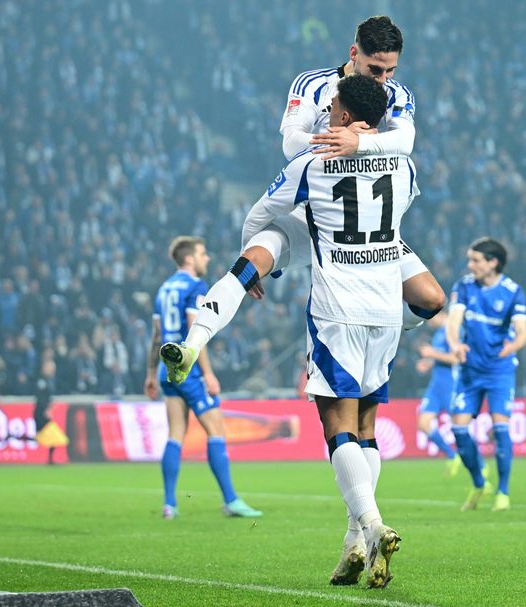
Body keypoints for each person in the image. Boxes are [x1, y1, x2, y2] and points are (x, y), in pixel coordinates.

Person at [162, 75, 408, 588]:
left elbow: (261, 213)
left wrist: (265, 264)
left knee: (336, 426)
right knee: (366, 426)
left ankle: (373, 525)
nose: (328, 106)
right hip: (387, 308)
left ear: (341, 115)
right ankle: (354, 542)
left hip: (338, 308)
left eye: (334, 105)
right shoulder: (403, 165)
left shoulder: (313, 162)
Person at [253, 15, 444, 329]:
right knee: (251, 259)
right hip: (313, 209)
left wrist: (357, 143)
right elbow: (291, 143)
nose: (383, 79)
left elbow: (405, 140)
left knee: (431, 298)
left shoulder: (397, 93)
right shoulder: (312, 84)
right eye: (376, 69)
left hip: (367, 220)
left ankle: (386, 324)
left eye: (391, 70)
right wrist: (336, 142)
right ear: (355, 54)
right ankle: (194, 339)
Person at [143, 236, 261, 520]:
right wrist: (207, 373)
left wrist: (150, 373)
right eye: (202, 253)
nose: (206, 258)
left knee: (175, 434)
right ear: (189, 259)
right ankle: (231, 500)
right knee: (216, 430)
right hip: (189, 369)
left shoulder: (164, 289)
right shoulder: (195, 286)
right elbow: (196, 329)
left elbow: (156, 336)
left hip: (164, 367)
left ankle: (170, 504)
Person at [446, 237, 526, 512]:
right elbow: (453, 322)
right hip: (470, 369)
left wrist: (513, 346)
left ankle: (503, 492)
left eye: (476, 260)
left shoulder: (513, 291)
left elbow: (522, 332)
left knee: (500, 427)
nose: (470, 265)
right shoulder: (464, 286)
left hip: (499, 370)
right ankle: (479, 481)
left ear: (493, 263)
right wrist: (456, 345)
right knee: (458, 428)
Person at [415, 309, 462, 476]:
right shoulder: (437, 335)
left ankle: (478, 466)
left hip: (451, 386)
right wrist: (428, 362)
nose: (428, 321)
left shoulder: (454, 331)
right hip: (436, 386)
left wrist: (433, 353)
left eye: (429, 317)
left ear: (440, 313)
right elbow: (440, 359)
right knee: (423, 424)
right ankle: (451, 455)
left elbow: (457, 359)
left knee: (460, 427)